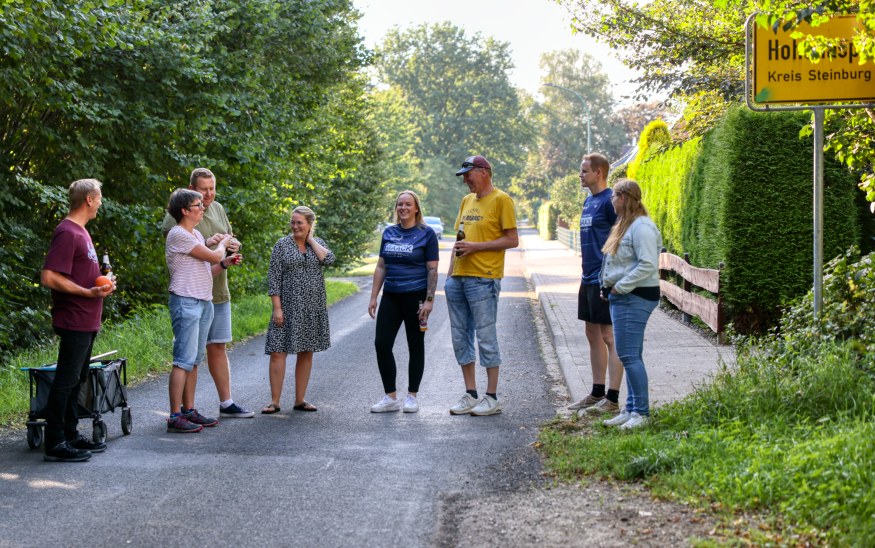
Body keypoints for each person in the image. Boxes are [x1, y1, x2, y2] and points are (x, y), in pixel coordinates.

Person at [162, 168, 254, 418]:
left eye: (212, 189)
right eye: (203, 191)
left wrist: (226, 255)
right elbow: (200, 251)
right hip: (188, 297)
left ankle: (202, 407)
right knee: (185, 358)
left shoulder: (206, 222)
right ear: (190, 196)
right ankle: (177, 413)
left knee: (200, 355)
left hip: (210, 295)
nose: (207, 197)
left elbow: (211, 259)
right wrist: (219, 246)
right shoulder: (179, 227)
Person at [40, 179, 115, 462]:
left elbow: (82, 274)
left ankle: (70, 434)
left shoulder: (81, 231)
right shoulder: (67, 232)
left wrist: (103, 284)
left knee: (77, 378)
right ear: (89, 200)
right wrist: (87, 292)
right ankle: (55, 442)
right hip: (73, 317)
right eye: (100, 198)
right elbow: (49, 277)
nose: (101, 202)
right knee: (66, 380)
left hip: (88, 317)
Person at [446, 155, 518, 416]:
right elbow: (459, 240)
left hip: (484, 279)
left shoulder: (502, 200)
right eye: (464, 176)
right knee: (460, 337)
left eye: (469, 174)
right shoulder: (466, 201)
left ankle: (492, 396)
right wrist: (449, 276)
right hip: (458, 279)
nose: (465, 180)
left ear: (484, 172)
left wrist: (476, 247)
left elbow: (512, 240)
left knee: (485, 336)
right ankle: (471, 394)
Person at [165, 188, 237, 433]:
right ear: (185, 211)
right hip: (186, 302)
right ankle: (174, 415)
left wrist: (225, 262)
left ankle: (189, 409)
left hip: (203, 301)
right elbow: (212, 256)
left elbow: (209, 268)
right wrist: (224, 244)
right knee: (183, 360)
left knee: (194, 360)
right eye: (198, 205)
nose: (203, 207)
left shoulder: (194, 234)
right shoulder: (178, 234)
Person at [368, 191, 439, 413]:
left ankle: (412, 396)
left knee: (415, 346)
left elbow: (432, 270)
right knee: (382, 343)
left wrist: (428, 300)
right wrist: (373, 297)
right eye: (400, 204)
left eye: (408, 204)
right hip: (391, 296)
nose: (403, 207)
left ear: (416, 208)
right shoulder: (389, 232)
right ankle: (390, 397)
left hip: (416, 298)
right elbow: (381, 266)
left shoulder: (426, 234)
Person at [599, 179, 662, 430]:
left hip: (634, 297)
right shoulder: (626, 225)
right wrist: (609, 287)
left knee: (629, 356)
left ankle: (641, 414)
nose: (611, 200)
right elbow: (619, 264)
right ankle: (631, 409)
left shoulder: (642, 227)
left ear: (623, 198)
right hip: (623, 297)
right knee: (630, 355)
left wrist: (619, 287)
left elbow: (647, 264)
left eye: (613, 195)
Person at [262, 206, 334, 414]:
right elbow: (274, 278)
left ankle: (300, 399)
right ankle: (274, 401)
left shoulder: (318, 244)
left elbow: (329, 260)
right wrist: (277, 308)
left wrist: (310, 240)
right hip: (287, 307)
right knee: (278, 351)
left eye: (299, 223)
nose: (294, 226)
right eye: (292, 222)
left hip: (312, 306)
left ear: (309, 224)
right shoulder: (282, 245)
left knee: (306, 351)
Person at [567, 152, 624, 416]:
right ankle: (597, 392)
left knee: (609, 336)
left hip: (605, 278)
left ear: (598, 172)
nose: (580, 175)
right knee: (592, 334)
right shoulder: (589, 202)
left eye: (583, 171)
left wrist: (615, 277)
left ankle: (612, 399)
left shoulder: (609, 202)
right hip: (587, 276)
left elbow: (622, 239)